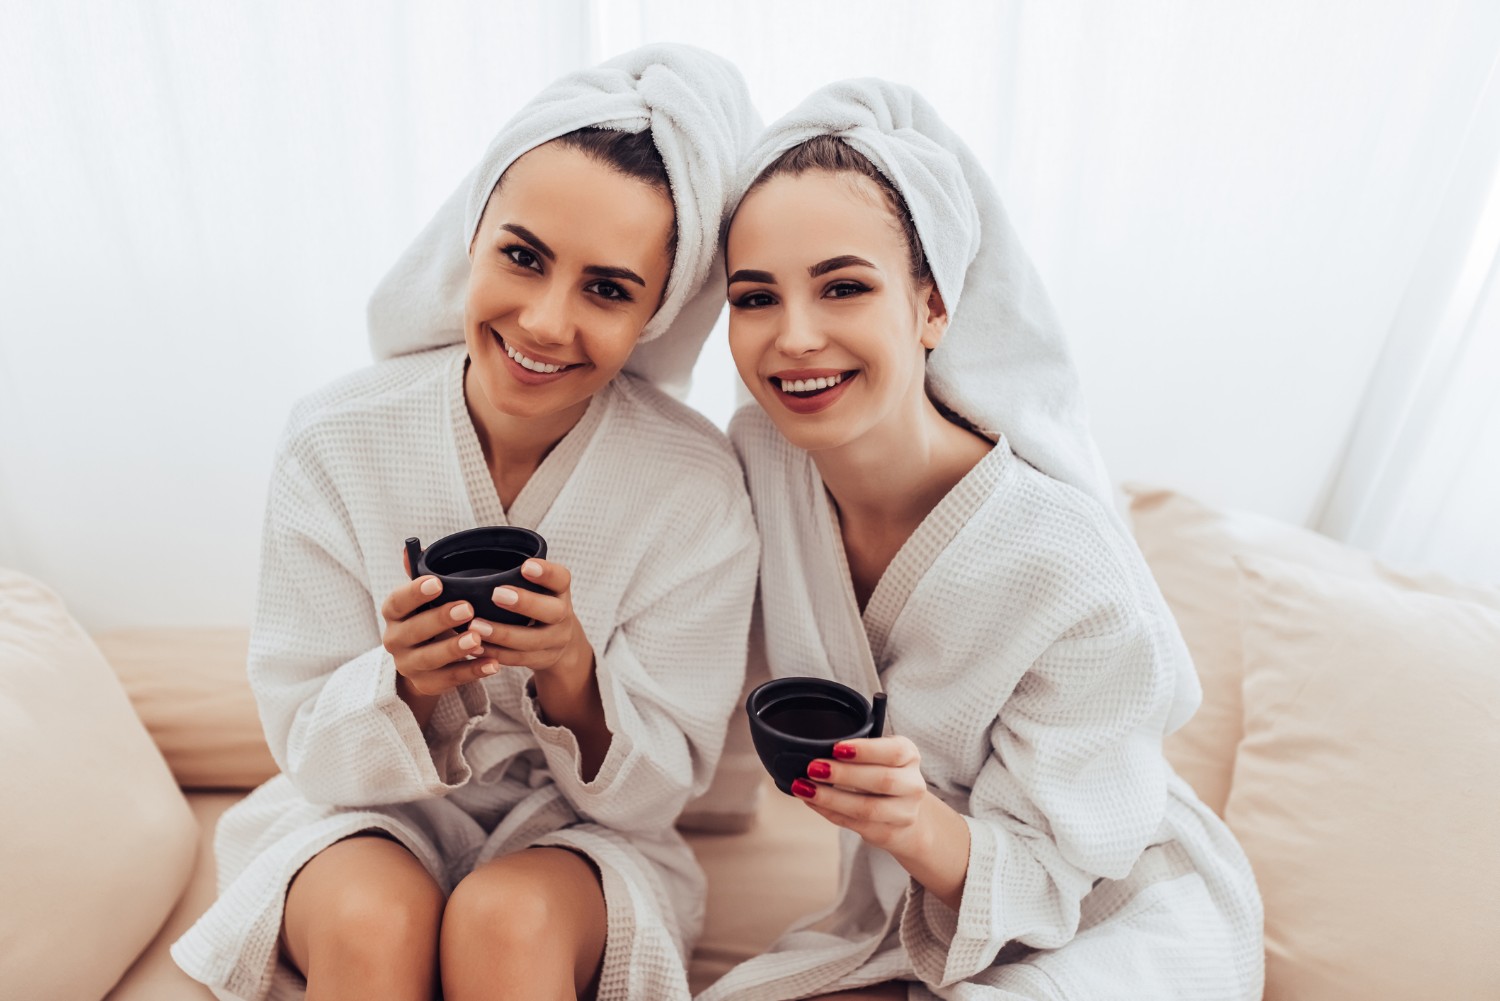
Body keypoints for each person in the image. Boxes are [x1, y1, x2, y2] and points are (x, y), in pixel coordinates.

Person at [171, 45, 760, 1001]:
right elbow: (307, 745)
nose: (546, 322)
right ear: (471, 236)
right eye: (523, 257)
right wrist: (404, 681)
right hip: (362, 816)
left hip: (583, 841)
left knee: (505, 919)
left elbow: (663, 791)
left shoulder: (695, 486)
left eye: (608, 288)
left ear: (657, 310)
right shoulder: (336, 438)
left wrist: (572, 673)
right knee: (373, 918)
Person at [701, 80, 1264, 1001]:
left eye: (844, 286)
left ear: (933, 306)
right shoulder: (762, 464)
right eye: (756, 296)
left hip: (1118, 912)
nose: (795, 336)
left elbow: (1063, 863)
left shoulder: (1062, 555)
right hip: (912, 902)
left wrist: (912, 820)